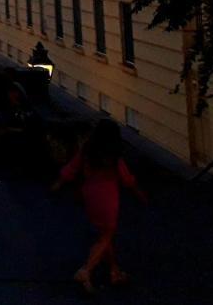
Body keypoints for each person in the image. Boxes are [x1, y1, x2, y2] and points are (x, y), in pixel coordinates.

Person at [51, 119, 146, 294]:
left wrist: (58, 183)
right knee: (106, 235)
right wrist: (140, 195)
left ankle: (114, 270)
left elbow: (71, 169)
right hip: (107, 195)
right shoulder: (113, 155)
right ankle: (86, 270)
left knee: (103, 233)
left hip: (89, 193)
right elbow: (127, 179)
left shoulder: (88, 151)